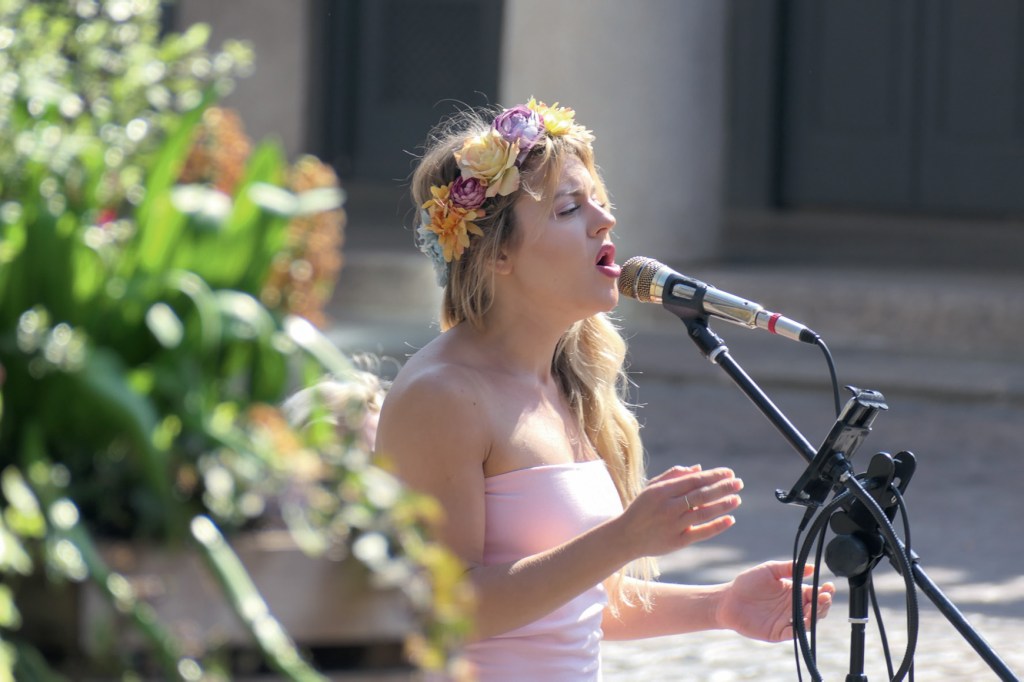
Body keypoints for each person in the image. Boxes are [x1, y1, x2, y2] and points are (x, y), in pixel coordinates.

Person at [374, 100, 835, 681]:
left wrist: (719, 605)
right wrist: (623, 538)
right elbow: (443, 609)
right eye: (570, 208)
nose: (604, 221)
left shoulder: (565, 383)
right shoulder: (442, 395)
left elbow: (573, 599)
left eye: (599, 200)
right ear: (499, 254)